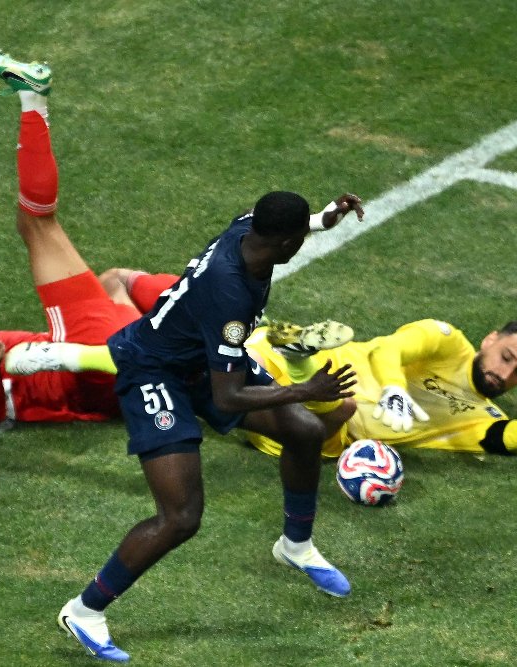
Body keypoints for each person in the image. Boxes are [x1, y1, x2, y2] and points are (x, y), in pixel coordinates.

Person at [55, 187, 365, 659]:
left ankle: (295, 546)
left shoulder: (249, 228)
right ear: (287, 244)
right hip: (156, 372)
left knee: (303, 430)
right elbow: (230, 396)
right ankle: (84, 610)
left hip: (201, 360)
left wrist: (327, 216)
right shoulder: (230, 296)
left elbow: (288, 229)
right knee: (180, 517)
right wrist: (307, 389)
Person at [0, 49, 179, 425]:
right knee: (34, 224)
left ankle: (224, 333)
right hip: (94, 364)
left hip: (115, 389)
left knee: (115, 281)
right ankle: (32, 97)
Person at [243, 318, 517, 458]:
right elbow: (389, 347)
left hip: (325, 432)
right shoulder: (447, 341)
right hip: (329, 367)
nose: (506, 374)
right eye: (506, 357)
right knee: (225, 357)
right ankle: (295, 356)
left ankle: (298, 361)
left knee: (338, 414)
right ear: (489, 340)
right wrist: (394, 388)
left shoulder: (479, 420)